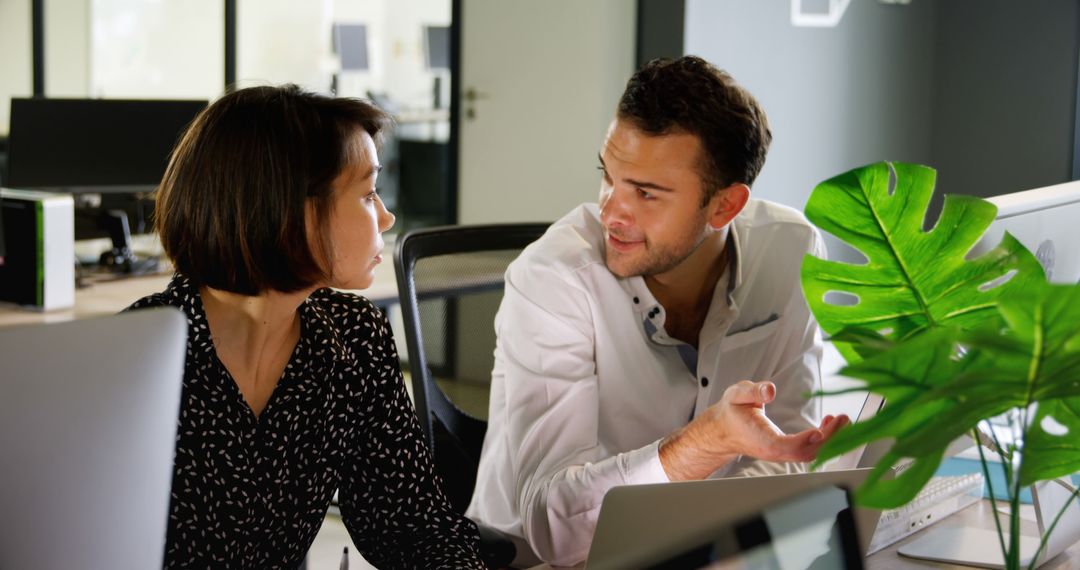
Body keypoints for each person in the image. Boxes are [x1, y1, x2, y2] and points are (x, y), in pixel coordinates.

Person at [466, 56, 850, 567]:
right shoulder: (553, 279)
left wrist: (717, 541)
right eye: (609, 177)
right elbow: (553, 527)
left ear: (725, 207)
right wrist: (706, 443)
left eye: (645, 193)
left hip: (697, 549)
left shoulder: (790, 250)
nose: (610, 212)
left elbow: (784, 450)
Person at [126, 85, 484, 569]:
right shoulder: (137, 352)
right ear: (289, 210)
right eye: (367, 193)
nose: (386, 215)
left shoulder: (354, 336)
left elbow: (411, 526)